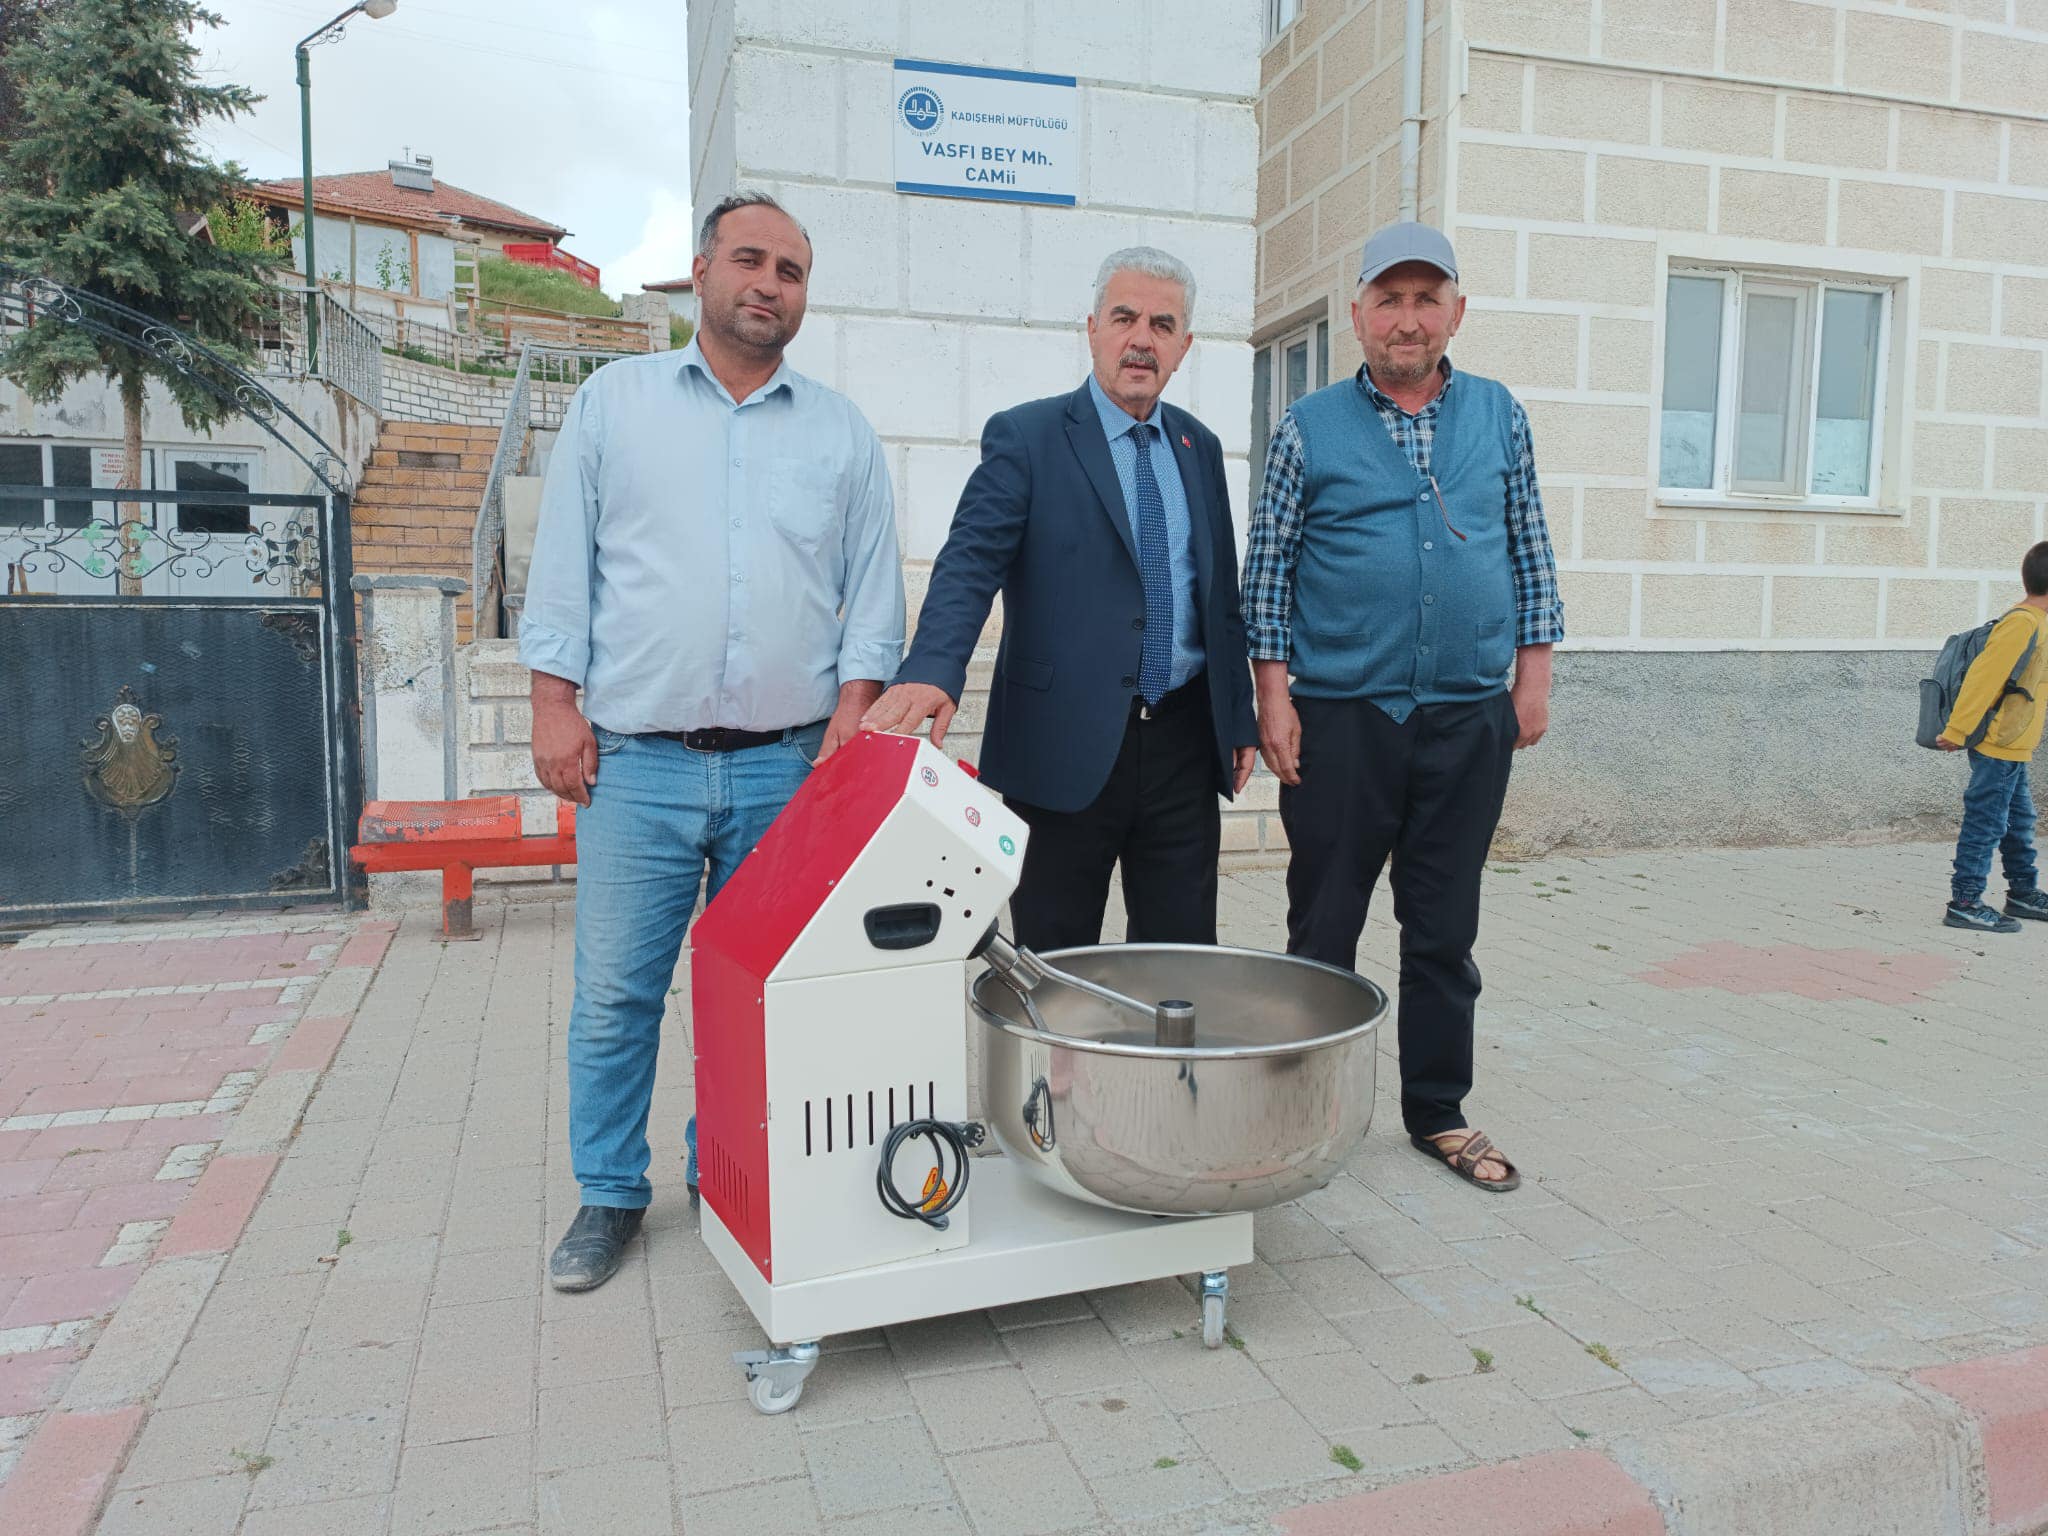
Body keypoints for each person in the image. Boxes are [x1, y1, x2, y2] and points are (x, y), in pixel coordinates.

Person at [519, 192, 904, 1291]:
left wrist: (851, 709)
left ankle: (729, 1178)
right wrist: (553, 703)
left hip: (786, 765)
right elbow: (565, 567)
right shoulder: (614, 404)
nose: (767, 284)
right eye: (749, 259)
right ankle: (607, 1194)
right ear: (701, 271)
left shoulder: (838, 432)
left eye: (789, 269)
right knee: (614, 997)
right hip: (635, 763)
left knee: (759, 1000)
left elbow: (871, 594)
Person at [1243, 221, 1564, 1194]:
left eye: (1427, 299)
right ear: (1356, 316)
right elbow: (1267, 575)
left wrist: (1531, 679)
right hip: (1342, 718)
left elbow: (1527, 548)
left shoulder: (1498, 415)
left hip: (1468, 719)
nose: (1407, 318)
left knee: (1440, 930)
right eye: (1388, 299)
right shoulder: (1308, 428)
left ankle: (1436, 1112)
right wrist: (1271, 696)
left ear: (1455, 312)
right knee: (1323, 922)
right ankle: (1296, 1111)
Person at [861, 247, 1257, 950]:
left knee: (1181, 960)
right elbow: (969, 563)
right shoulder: (1030, 437)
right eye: (1125, 317)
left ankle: (1160, 1068)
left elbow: (1217, 597)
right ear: (1093, 328)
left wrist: (1237, 716)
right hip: (1063, 747)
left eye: (1163, 325)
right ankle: (1058, 1071)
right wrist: (931, 667)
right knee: (1056, 961)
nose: (1142, 338)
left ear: (1184, 347)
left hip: (1182, 747)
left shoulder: (1200, 447)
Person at [1937, 541, 2048, 934]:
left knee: (2019, 821)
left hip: (2016, 743)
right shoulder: (2021, 622)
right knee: (1986, 822)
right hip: (1997, 742)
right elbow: (1985, 678)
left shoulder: (2040, 623)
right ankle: (1965, 901)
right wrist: (1957, 730)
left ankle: (2022, 892)